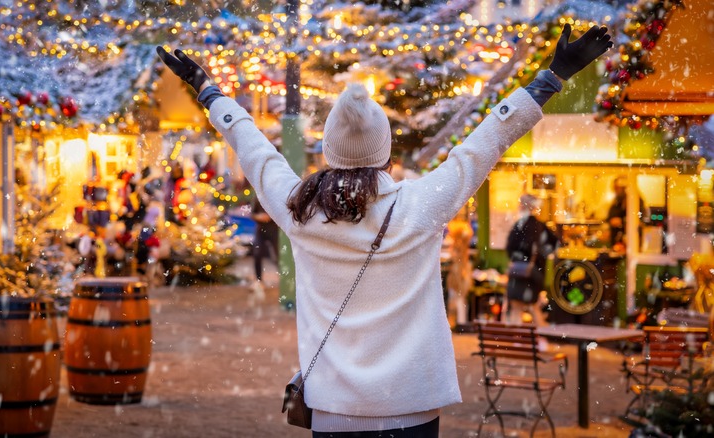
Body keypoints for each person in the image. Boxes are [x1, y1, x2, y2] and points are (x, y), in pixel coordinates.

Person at [158, 23, 611, 437]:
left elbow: (254, 149)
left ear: (330, 153)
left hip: (333, 409)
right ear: (387, 154)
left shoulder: (300, 212)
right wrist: (551, 77)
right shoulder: (421, 205)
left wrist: (208, 90)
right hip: (411, 408)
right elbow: (484, 143)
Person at [505, 194, 558, 325]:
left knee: (518, 307)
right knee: (532, 306)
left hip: (521, 272)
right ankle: (540, 339)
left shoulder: (522, 225)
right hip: (534, 272)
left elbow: (511, 247)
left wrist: (518, 258)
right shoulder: (540, 226)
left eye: (521, 203)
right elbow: (555, 245)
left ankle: (518, 341)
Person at [607, 175, 646, 251]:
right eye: (615, 187)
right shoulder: (616, 200)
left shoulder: (635, 199)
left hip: (630, 239)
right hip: (617, 240)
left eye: (618, 188)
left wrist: (622, 221)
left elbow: (640, 216)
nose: (615, 190)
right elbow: (610, 216)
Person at [251, 196, 279, 300]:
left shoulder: (274, 197)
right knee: (257, 253)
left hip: (274, 230)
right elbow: (252, 214)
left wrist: (270, 216)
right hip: (261, 230)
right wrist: (259, 217)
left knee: (278, 255)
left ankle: (285, 278)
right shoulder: (257, 197)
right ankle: (258, 280)